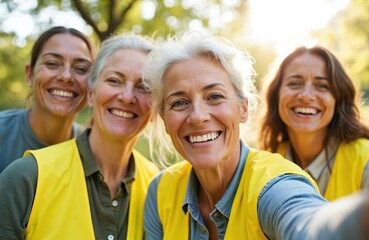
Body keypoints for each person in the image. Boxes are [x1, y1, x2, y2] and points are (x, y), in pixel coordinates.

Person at [142, 31, 369, 239]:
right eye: (179, 102)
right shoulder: (160, 191)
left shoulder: (272, 182)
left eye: (214, 96)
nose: (198, 116)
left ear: (244, 108)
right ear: (164, 118)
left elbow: (305, 224)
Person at [0, 33, 159, 239]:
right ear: (91, 93)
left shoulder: (158, 186)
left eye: (144, 87)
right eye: (114, 80)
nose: (127, 97)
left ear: (157, 106)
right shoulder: (26, 177)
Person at [258, 46, 369, 201]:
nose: (306, 95)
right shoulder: (267, 163)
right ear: (276, 95)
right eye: (295, 83)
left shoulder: (364, 160)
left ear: (338, 99)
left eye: (321, 85)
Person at [0, 26, 95, 173]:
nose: (66, 76)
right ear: (29, 75)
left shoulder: (93, 151)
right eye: (52, 63)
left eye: (81, 68)